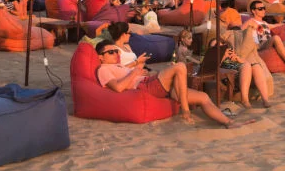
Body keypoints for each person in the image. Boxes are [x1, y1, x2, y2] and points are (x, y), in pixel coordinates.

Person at [95, 39, 248, 128]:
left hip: (152, 81)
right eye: (111, 52)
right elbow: (118, 87)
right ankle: (186, 111)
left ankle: (229, 122)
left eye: (116, 51)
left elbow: (125, 73)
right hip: (147, 86)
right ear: (100, 57)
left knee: (203, 97)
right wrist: (136, 72)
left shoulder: (117, 66)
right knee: (180, 66)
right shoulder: (103, 69)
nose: (116, 54)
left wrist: (136, 66)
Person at [203, 34, 272, 109]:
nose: (217, 48)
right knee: (246, 65)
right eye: (214, 47)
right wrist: (224, 58)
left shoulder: (230, 53)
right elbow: (219, 70)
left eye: (218, 45)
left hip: (242, 76)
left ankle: (265, 99)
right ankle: (244, 99)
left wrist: (237, 59)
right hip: (229, 79)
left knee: (256, 66)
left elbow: (244, 63)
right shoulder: (215, 60)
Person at [244, 1, 285, 75]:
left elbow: (276, 25)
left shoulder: (264, 23)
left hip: (271, 43)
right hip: (260, 46)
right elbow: (239, 31)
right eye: (260, 9)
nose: (263, 10)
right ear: (253, 11)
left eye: (264, 8)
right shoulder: (251, 22)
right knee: (276, 38)